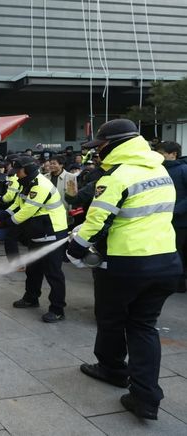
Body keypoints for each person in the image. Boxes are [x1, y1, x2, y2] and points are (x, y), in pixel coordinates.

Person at [67, 119, 182, 420]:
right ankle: (146, 398)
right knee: (144, 326)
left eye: (100, 146)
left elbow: (96, 221)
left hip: (127, 264)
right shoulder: (160, 172)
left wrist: (75, 248)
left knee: (110, 318)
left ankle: (112, 369)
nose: (98, 153)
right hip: (166, 261)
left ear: (115, 144)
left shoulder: (117, 176)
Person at [0, 156, 69, 322]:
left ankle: (57, 309)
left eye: (19, 171)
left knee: (53, 273)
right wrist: (3, 215)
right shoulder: (27, 183)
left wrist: (9, 223)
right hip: (38, 232)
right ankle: (31, 298)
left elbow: (28, 210)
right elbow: (19, 203)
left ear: (28, 170)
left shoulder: (41, 185)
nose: (16, 175)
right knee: (33, 268)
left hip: (52, 232)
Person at [155, 140, 187, 292]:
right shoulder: (157, 170)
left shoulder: (183, 170)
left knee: (178, 251)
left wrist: (175, 210)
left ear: (173, 154)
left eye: (162, 154)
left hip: (180, 221)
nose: (159, 157)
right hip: (163, 219)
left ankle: (179, 283)